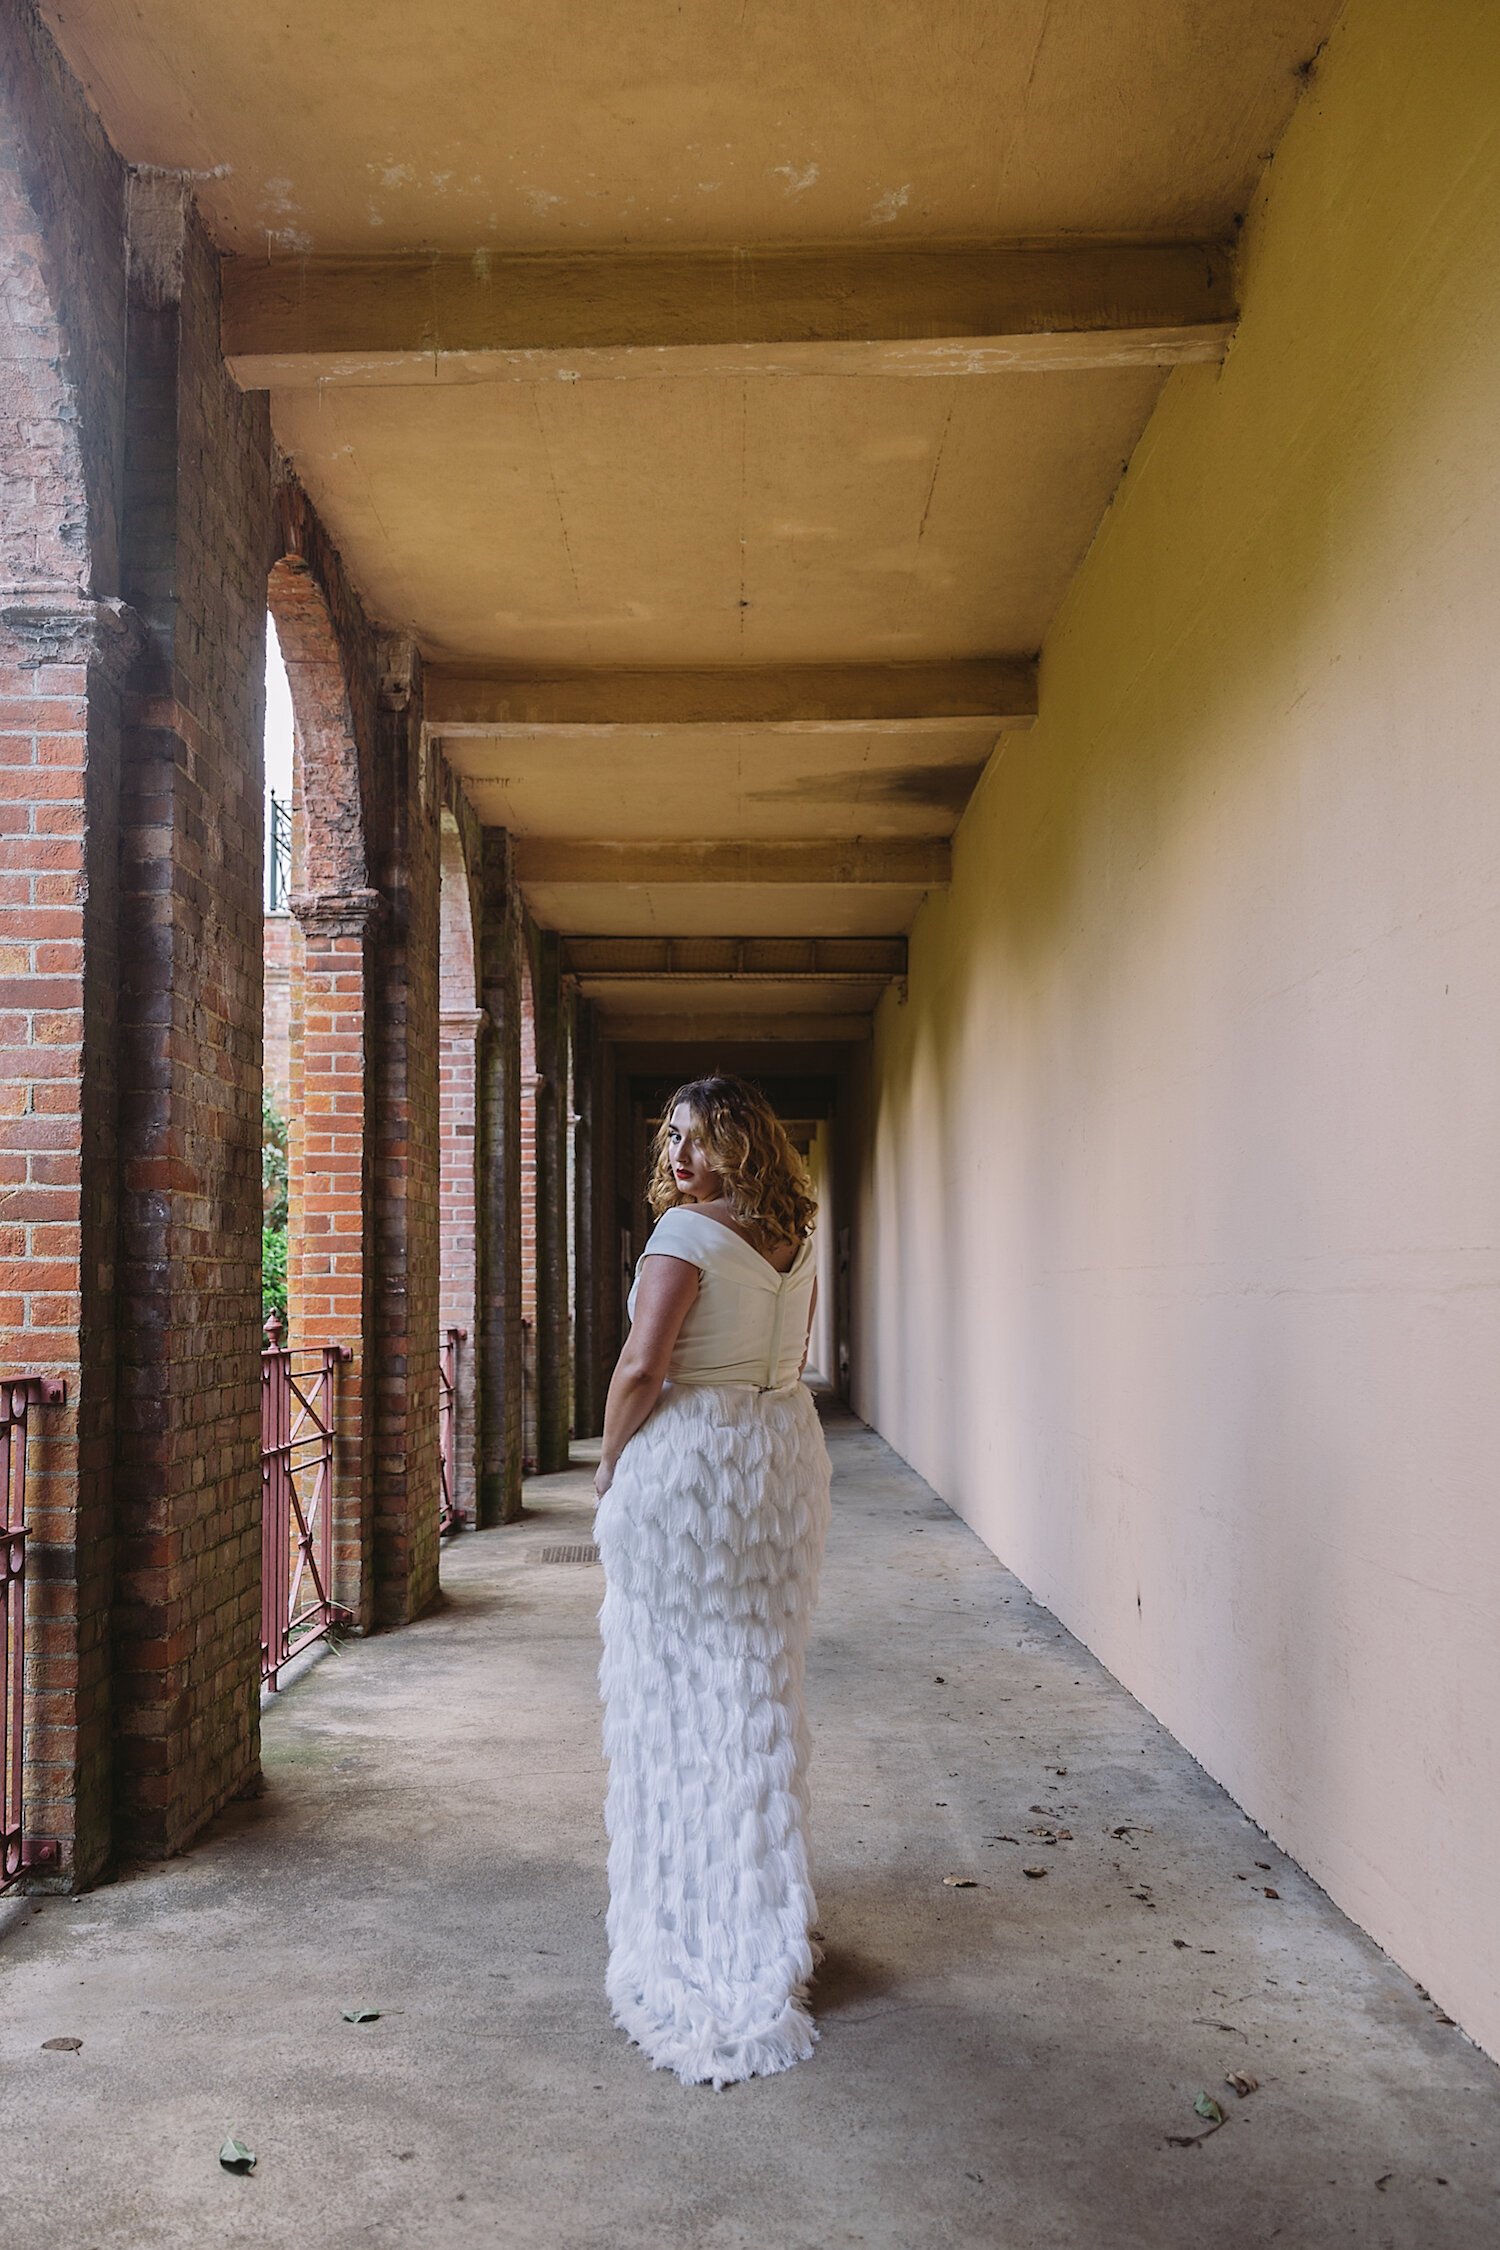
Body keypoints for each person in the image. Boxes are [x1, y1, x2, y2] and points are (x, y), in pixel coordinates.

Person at [593, 1073, 833, 2088]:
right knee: (756, 1685)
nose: (681, 1160)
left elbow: (644, 1369)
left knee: (678, 1692)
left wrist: (608, 1467)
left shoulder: (683, 1241)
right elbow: (794, 1356)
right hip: (778, 1461)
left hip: (694, 1474)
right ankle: (759, 1916)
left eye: (698, 1140)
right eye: (674, 1140)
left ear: (740, 1144)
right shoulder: (800, 1238)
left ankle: (694, 1923)